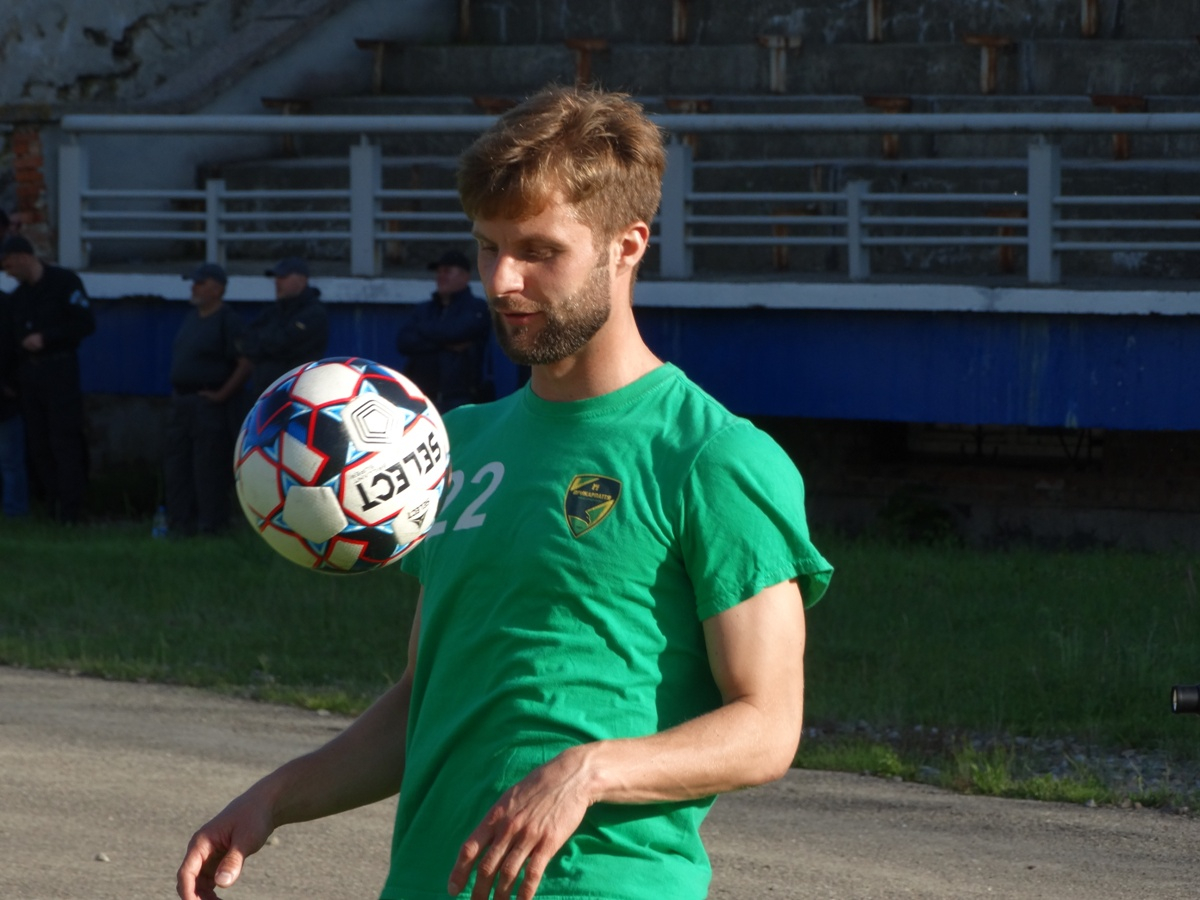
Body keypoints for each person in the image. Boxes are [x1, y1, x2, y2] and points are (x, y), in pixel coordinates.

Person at [177, 86, 833, 900]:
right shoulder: (455, 444)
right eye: (487, 247)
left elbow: (766, 725)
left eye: (538, 251)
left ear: (627, 245)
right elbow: (427, 700)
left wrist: (589, 772)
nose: (501, 280)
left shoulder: (711, 456)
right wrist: (275, 799)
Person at [0, 235, 94, 523]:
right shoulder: (18, 298)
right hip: (29, 375)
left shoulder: (64, 283)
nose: (8, 273)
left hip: (59, 369)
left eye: (9, 265)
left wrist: (47, 338)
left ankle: (71, 509)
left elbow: (84, 323)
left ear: (23, 256)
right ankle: (52, 505)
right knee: (39, 444)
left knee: (64, 440)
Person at [162, 263, 252, 536]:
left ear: (217, 288)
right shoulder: (192, 318)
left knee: (208, 466)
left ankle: (212, 525)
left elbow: (245, 362)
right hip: (182, 402)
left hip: (208, 404)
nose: (194, 288)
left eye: (200, 283)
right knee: (177, 465)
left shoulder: (227, 320)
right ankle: (180, 524)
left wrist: (222, 394)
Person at [395, 248, 492, 410]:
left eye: (447, 271)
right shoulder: (423, 309)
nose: (441, 276)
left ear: (465, 276)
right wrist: (446, 343)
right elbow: (403, 342)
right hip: (421, 399)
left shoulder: (477, 308)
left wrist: (424, 333)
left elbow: (456, 332)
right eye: (438, 272)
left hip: (460, 400)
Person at [236, 256, 328, 398]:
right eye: (276, 277)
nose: (277, 282)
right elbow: (245, 340)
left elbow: (283, 345)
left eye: (283, 277)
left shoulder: (314, 313)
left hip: (295, 395)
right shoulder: (273, 311)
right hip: (265, 394)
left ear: (302, 280)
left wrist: (261, 344)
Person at [0, 273, 29, 518]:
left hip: (5, 397)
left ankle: (15, 512)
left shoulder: (7, 305)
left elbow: (15, 348)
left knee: (10, 460)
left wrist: (9, 383)